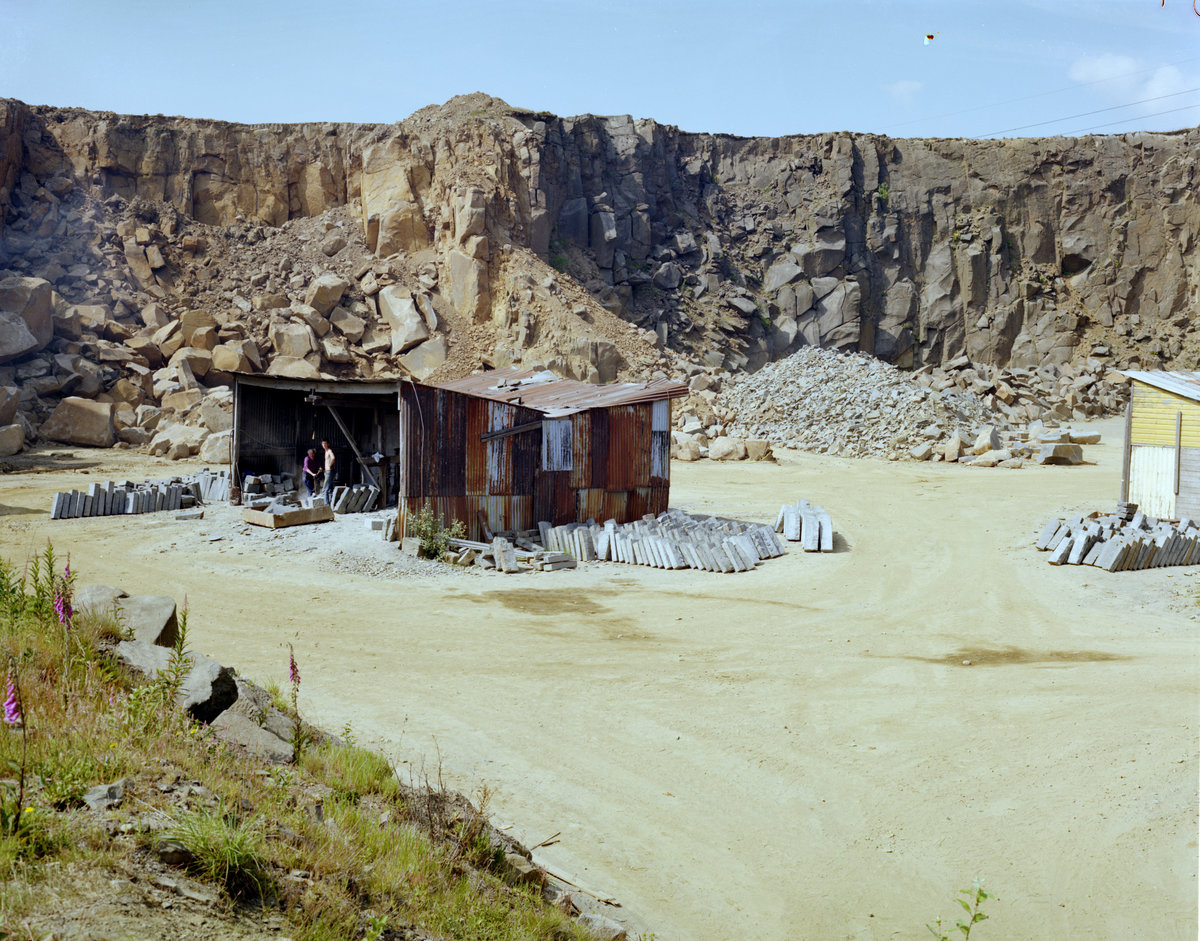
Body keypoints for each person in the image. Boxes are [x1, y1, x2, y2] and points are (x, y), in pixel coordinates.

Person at [321, 439, 336, 504]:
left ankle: (326, 505)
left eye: (325, 443)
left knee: (325, 489)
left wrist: (330, 465)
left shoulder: (329, 451)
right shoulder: (326, 451)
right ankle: (330, 503)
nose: (324, 445)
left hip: (329, 471)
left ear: (328, 444)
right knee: (329, 488)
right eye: (323, 443)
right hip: (328, 471)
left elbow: (333, 458)